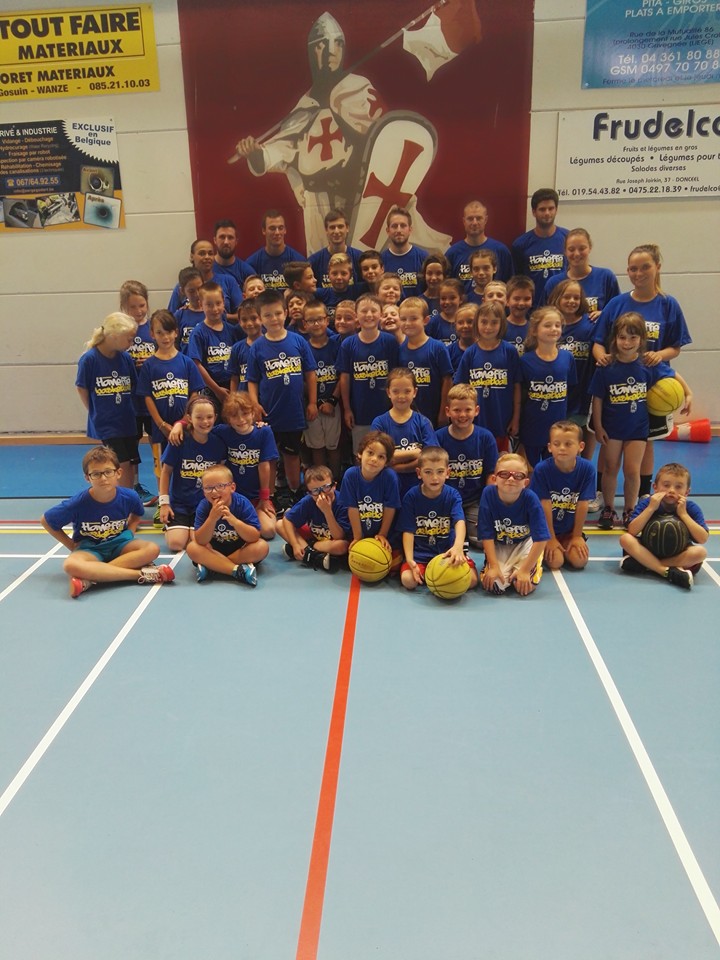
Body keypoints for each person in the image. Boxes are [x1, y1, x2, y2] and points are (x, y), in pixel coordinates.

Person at [592, 243, 693, 500]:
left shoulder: (668, 304)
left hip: (653, 383)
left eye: (645, 267)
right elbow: (599, 341)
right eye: (633, 268)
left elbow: (675, 347)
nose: (638, 273)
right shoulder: (617, 304)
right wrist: (602, 358)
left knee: (645, 442)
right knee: (609, 442)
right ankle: (601, 492)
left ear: (657, 267)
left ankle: (643, 495)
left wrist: (660, 355)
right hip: (617, 383)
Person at [590, 312, 690, 530]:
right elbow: (597, 399)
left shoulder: (648, 364)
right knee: (610, 467)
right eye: (622, 337)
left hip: (637, 429)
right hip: (612, 428)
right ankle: (608, 508)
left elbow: (673, 374)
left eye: (633, 337)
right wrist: (598, 426)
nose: (627, 342)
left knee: (632, 470)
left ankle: (629, 509)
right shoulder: (606, 366)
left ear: (642, 339)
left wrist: (688, 393)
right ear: (615, 339)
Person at [40, 445, 174, 598]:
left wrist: (130, 531)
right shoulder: (78, 503)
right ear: (87, 477)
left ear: (118, 473)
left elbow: (137, 515)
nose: (103, 478)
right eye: (96, 474)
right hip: (90, 549)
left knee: (152, 549)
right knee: (70, 565)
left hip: (120, 545)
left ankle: (92, 578)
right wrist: (71, 545)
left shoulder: (130, 496)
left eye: (108, 472)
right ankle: (139, 574)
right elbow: (46, 520)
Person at [246, 289, 318, 503]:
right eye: (268, 315)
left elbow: (310, 373)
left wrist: (312, 402)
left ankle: (294, 491)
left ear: (285, 313)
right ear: (260, 318)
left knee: (292, 454)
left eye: (277, 313)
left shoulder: (298, 341)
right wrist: (254, 404)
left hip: (293, 411)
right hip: (269, 411)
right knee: (268, 456)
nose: (274, 319)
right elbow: (252, 380)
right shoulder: (257, 347)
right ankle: (270, 496)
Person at [136, 309, 204, 500]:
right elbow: (147, 396)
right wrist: (161, 424)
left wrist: (184, 420)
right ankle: (163, 500)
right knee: (161, 465)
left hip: (184, 425)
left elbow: (194, 393)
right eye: (160, 332)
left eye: (168, 332)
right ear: (152, 334)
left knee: (185, 463)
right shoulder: (149, 365)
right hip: (160, 429)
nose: (165, 337)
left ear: (176, 332)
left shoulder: (186, 362)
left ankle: (183, 499)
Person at [398, 446, 477, 592]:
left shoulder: (452, 495)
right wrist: (410, 560)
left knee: (471, 580)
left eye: (440, 472)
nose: (434, 478)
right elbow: (408, 531)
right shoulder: (411, 497)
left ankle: (438, 578)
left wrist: (458, 547)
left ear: (448, 473)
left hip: (448, 552)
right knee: (408, 580)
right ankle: (435, 577)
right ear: (419, 473)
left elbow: (459, 521)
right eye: (428, 472)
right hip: (421, 554)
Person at [618, 462, 708, 590]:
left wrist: (683, 515)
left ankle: (647, 565)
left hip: (678, 553)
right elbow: (632, 530)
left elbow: (702, 538)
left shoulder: (691, 508)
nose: (671, 490)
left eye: (678, 487)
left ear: (687, 492)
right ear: (655, 487)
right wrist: (650, 508)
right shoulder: (648, 503)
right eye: (666, 485)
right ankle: (667, 571)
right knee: (625, 539)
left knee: (700, 553)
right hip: (649, 549)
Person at [76, 311, 138, 489]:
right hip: (107, 422)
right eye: (129, 339)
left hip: (126, 419)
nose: (131, 344)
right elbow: (82, 387)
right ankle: (121, 499)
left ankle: (129, 496)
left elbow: (133, 385)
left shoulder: (125, 358)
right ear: (114, 336)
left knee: (131, 462)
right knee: (120, 463)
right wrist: (94, 410)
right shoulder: (89, 359)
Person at [549, 280, 598, 493]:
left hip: (582, 393)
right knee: (559, 445)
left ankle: (583, 487)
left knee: (579, 444)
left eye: (576, 297)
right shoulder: (551, 325)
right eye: (566, 296)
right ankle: (557, 488)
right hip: (555, 395)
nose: (571, 301)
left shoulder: (591, 324)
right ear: (557, 298)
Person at [159, 396, 227, 551]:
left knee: (199, 541)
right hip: (179, 504)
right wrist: (164, 503)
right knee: (176, 544)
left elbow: (221, 476)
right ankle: (174, 528)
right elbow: (166, 472)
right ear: (189, 418)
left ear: (215, 417)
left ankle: (190, 530)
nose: (205, 422)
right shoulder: (179, 440)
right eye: (199, 417)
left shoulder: (218, 443)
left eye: (209, 417)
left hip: (204, 504)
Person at [435, 383, 498, 548]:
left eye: (467, 410)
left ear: (476, 410)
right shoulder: (438, 438)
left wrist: (487, 508)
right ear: (448, 411)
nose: (462, 415)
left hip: (474, 501)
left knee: (482, 541)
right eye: (457, 410)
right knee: (443, 540)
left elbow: (491, 476)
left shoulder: (485, 438)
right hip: (447, 501)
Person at [453, 301, 521, 452]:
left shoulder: (509, 351)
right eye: (484, 322)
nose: (488, 327)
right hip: (476, 421)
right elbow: (460, 388)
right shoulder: (470, 353)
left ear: (501, 324)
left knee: (501, 460)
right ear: (476, 323)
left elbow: (517, 386)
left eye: (494, 322)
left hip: (502, 421)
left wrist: (516, 418)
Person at [478, 452, 549, 596]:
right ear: (494, 479)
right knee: (494, 585)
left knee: (523, 586)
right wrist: (494, 566)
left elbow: (541, 538)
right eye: (504, 474)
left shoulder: (531, 499)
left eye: (518, 476)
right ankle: (507, 568)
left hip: (525, 543)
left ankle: (529, 566)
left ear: (525, 483)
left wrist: (525, 570)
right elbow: (486, 534)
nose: (511, 479)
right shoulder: (488, 494)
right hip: (500, 544)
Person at [186, 464, 269, 585]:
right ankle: (236, 570)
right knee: (192, 548)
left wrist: (235, 522)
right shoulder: (204, 506)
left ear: (232, 487)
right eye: (208, 488)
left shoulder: (242, 503)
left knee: (262, 547)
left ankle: (213, 566)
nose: (214, 492)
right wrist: (212, 519)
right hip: (213, 550)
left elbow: (254, 537)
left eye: (220, 486)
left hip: (239, 551)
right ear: (203, 491)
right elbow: (201, 540)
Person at [529, 420, 595, 570]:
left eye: (568, 444)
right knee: (555, 562)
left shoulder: (587, 469)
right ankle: (546, 544)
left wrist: (577, 536)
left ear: (580, 446)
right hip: (546, 529)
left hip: (569, 530)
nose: (562, 448)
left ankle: (566, 542)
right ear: (549, 447)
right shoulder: (542, 469)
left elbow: (583, 503)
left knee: (579, 561)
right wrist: (550, 538)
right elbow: (544, 505)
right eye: (556, 444)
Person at [337, 293, 399, 452]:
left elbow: (396, 375)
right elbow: (345, 378)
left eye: (374, 310)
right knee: (362, 453)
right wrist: (347, 409)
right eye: (364, 311)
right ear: (356, 316)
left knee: (387, 451)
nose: (369, 315)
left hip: (386, 409)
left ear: (381, 314)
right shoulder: (348, 344)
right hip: (360, 411)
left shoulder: (390, 341)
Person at [214, 393, 279, 540]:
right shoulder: (224, 431)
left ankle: (249, 520)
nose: (241, 420)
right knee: (224, 530)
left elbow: (265, 466)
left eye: (245, 414)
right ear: (227, 419)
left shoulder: (264, 432)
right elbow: (201, 428)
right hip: (232, 497)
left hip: (257, 497)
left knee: (269, 531)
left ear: (253, 413)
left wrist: (265, 498)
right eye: (234, 416)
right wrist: (181, 424)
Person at [518, 306, 576, 467]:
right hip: (532, 427)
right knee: (531, 468)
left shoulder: (567, 358)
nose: (554, 329)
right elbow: (520, 394)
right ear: (534, 330)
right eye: (547, 325)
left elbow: (571, 389)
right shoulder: (526, 361)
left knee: (555, 467)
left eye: (557, 325)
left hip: (558, 427)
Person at [371, 367, 437, 498]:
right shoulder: (379, 423)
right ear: (388, 392)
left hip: (419, 490)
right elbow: (377, 458)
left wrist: (398, 467)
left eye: (407, 391)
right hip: (388, 490)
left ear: (415, 392)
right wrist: (414, 453)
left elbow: (431, 458)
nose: (401, 396)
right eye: (396, 391)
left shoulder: (423, 422)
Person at [120, 279, 156, 505]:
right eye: (132, 307)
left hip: (152, 398)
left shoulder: (153, 328)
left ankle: (164, 485)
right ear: (124, 306)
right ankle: (134, 487)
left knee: (157, 444)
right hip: (130, 401)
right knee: (131, 447)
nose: (138, 310)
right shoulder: (120, 331)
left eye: (141, 305)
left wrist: (152, 360)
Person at [276, 465, 350, 571]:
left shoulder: (342, 502)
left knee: (342, 546)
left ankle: (308, 550)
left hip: (331, 541)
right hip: (314, 535)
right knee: (279, 525)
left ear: (334, 486)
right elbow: (287, 520)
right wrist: (295, 544)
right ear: (309, 493)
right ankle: (315, 557)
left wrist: (327, 511)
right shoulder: (308, 501)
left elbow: (339, 536)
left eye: (326, 487)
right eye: (315, 491)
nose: (322, 494)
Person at [338, 430, 400, 552]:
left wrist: (382, 534)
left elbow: (390, 508)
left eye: (381, 457)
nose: (374, 459)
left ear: (386, 462)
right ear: (360, 453)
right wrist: (358, 537)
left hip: (385, 532)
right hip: (357, 530)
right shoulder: (350, 475)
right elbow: (352, 508)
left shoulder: (390, 477)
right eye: (370, 453)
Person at [397, 296, 453, 426]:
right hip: (408, 415)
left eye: (413, 319)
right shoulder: (400, 349)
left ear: (426, 320)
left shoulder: (437, 348)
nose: (408, 323)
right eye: (403, 319)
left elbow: (447, 380)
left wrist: (443, 411)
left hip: (434, 413)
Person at [302, 299, 342, 475]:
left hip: (333, 403)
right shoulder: (302, 347)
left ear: (327, 320)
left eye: (320, 319)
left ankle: (335, 481)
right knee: (316, 446)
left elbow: (343, 376)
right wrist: (315, 403)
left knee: (333, 446)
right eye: (311, 320)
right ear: (305, 324)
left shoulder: (337, 345)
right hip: (311, 405)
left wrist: (332, 401)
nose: (316, 324)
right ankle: (320, 483)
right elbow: (301, 380)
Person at [541, 227, 620, 316]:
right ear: (565, 251)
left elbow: (617, 312)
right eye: (571, 249)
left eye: (582, 248)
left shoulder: (605, 277)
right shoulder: (553, 283)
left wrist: (604, 314)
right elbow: (543, 316)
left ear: (590, 248)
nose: (577, 254)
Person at [511, 188, 568, 305]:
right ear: (534, 212)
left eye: (551, 208)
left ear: (556, 210)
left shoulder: (568, 239)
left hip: (561, 306)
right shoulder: (521, 244)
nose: (547, 213)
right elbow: (517, 281)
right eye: (542, 209)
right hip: (531, 308)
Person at [187, 281, 237, 408]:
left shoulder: (232, 330)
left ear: (223, 302)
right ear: (201, 305)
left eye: (218, 303)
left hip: (232, 387)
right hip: (210, 389)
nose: (215, 309)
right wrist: (217, 390)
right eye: (209, 305)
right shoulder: (198, 333)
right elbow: (196, 364)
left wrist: (234, 389)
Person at [168, 239, 242, 316]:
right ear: (192, 256)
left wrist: (218, 315)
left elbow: (242, 314)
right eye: (202, 253)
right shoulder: (183, 285)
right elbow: (170, 318)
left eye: (210, 253)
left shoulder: (228, 281)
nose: (207, 257)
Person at [445, 200, 513, 283]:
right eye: (470, 219)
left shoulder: (501, 251)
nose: (474, 223)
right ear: (464, 221)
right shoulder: (452, 254)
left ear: (485, 220)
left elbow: (510, 286)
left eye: (479, 218)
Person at [245, 210, 306, 291]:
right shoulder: (252, 263)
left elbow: (305, 293)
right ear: (264, 230)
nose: (277, 232)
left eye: (280, 228)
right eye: (272, 228)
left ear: (285, 230)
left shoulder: (299, 261)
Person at [309, 209, 363, 287]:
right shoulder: (314, 261)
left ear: (347, 228)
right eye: (332, 227)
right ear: (326, 230)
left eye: (340, 226)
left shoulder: (359, 258)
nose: (336, 231)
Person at [381, 207, 427, 297]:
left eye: (403, 226)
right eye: (394, 226)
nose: (399, 230)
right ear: (388, 231)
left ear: (410, 229)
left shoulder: (423, 257)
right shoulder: (381, 260)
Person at [229, 299, 264, 391]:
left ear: (262, 318)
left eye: (254, 318)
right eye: (244, 320)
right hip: (244, 397)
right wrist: (233, 397)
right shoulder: (237, 348)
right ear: (239, 322)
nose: (249, 323)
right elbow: (234, 378)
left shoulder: (269, 344)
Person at [212, 219, 254, 288]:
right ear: (215, 240)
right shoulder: (206, 269)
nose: (226, 242)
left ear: (236, 241)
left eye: (230, 237)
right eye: (222, 237)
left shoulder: (247, 272)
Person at [175, 267, 205, 353]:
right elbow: (174, 344)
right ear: (182, 291)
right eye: (191, 291)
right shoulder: (179, 315)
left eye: (200, 288)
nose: (197, 294)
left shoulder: (212, 313)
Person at [427, 278, 465, 346]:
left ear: (461, 299)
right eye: (443, 298)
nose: (447, 302)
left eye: (452, 298)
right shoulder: (433, 323)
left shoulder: (466, 322)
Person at [503, 275, 534, 354]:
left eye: (526, 299)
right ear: (507, 300)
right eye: (516, 299)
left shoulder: (534, 329)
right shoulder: (500, 327)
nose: (521, 303)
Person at [419, 253, 450, 324]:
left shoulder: (449, 302)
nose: (433, 278)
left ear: (445, 276)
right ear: (424, 275)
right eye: (429, 273)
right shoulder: (418, 302)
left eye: (438, 273)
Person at [447, 302, 477, 373]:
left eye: (470, 322)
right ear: (455, 325)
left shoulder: (485, 350)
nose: (465, 326)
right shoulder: (448, 352)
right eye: (460, 323)